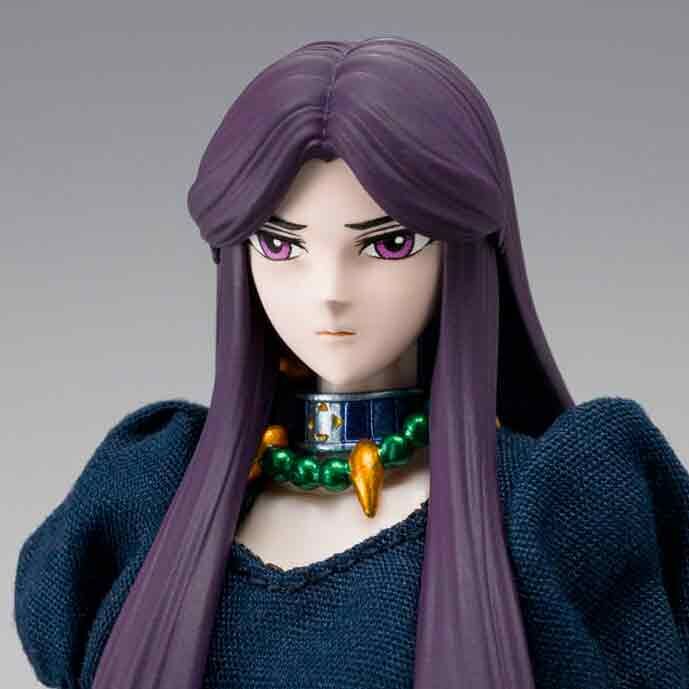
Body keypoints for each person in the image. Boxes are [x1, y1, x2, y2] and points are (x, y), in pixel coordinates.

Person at [14, 35, 689, 689]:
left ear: (463, 250)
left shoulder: (550, 515)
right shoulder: (147, 501)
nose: (329, 292)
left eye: (387, 244)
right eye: (281, 245)